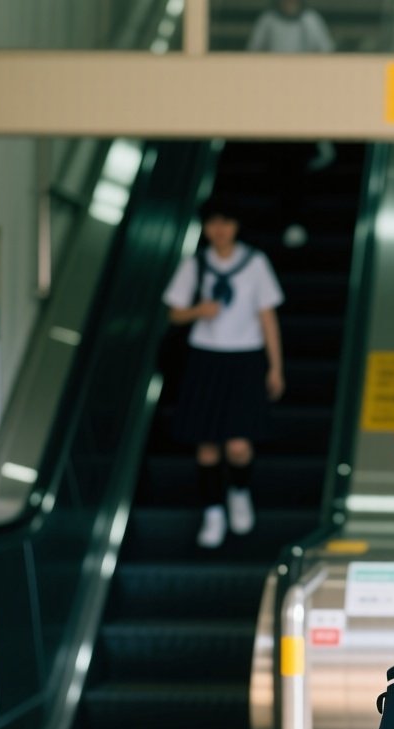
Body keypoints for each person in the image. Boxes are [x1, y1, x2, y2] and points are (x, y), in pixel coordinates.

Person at [163, 199, 286, 549]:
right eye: (213, 222)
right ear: (205, 227)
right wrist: (198, 311)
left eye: (226, 221)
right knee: (206, 448)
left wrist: (275, 366)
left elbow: (267, 317)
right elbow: (173, 314)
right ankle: (213, 511)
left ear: (236, 226)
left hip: (246, 360)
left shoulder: (255, 263)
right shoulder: (196, 262)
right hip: (204, 358)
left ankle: (239, 492)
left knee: (238, 446)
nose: (220, 229)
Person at [246, 0, 336, 172]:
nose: (289, 4)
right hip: (275, 81)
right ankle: (266, 151)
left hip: (306, 82)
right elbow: (253, 50)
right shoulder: (268, 20)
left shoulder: (310, 19)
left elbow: (326, 49)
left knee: (312, 115)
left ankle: (323, 151)